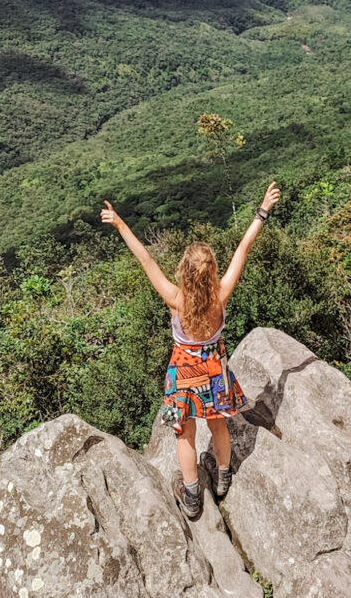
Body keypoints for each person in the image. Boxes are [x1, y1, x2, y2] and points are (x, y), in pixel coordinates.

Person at [100, 181, 281, 518]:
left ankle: (193, 494)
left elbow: (146, 258)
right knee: (219, 426)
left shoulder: (175, 299)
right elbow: (244, 247)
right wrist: (263, 209)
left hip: (182, 374)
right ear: (212, 271)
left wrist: (120, 223)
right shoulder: (221, 295)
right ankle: (224, 478)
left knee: (183, 434)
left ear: (184, 271)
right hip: (214, 371)